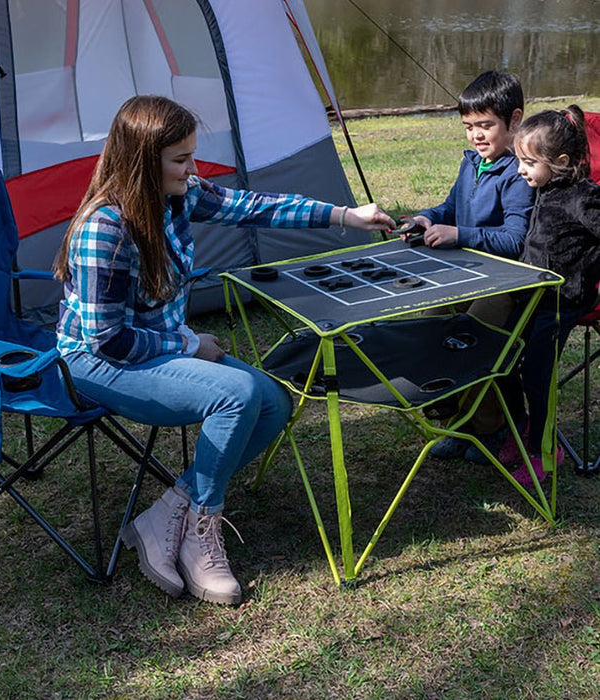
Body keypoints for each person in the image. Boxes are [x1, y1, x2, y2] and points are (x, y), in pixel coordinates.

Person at [52, 94, 395, 605]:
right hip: (97, 364)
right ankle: (200, 533)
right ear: (143, 161)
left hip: (157, 350)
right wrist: (188, 342)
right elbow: (109, 340)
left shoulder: (178, 196)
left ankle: (171, 511)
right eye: (181, 159)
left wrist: (346, 215)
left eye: (192, 156)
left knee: (274, 403)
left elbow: (255, 207)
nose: (192, 171)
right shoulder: (104, 229)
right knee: (235, 395)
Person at [410, 70, 536, 462]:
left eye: (486, 125)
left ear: (514, 121)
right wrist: (425, 218)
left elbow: (515, 240)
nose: (476, 135)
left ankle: (493, 429)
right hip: (463, 278)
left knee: (472, 336)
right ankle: (459, 424)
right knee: (431, 324)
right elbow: (448, 207)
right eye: (469, 127)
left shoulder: (519, 172)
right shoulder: (472, 163)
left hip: (504, 285)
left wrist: (459, 234)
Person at [499, 105, 600, 487]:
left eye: (528, 161)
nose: (521, 169)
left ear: (559, 162)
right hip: (532, 296)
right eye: (519, 160)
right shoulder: (545, 187)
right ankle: (522, 430)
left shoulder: (583, 198)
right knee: (502, 359)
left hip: (562, 302)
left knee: (537, 376)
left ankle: (545, 451)